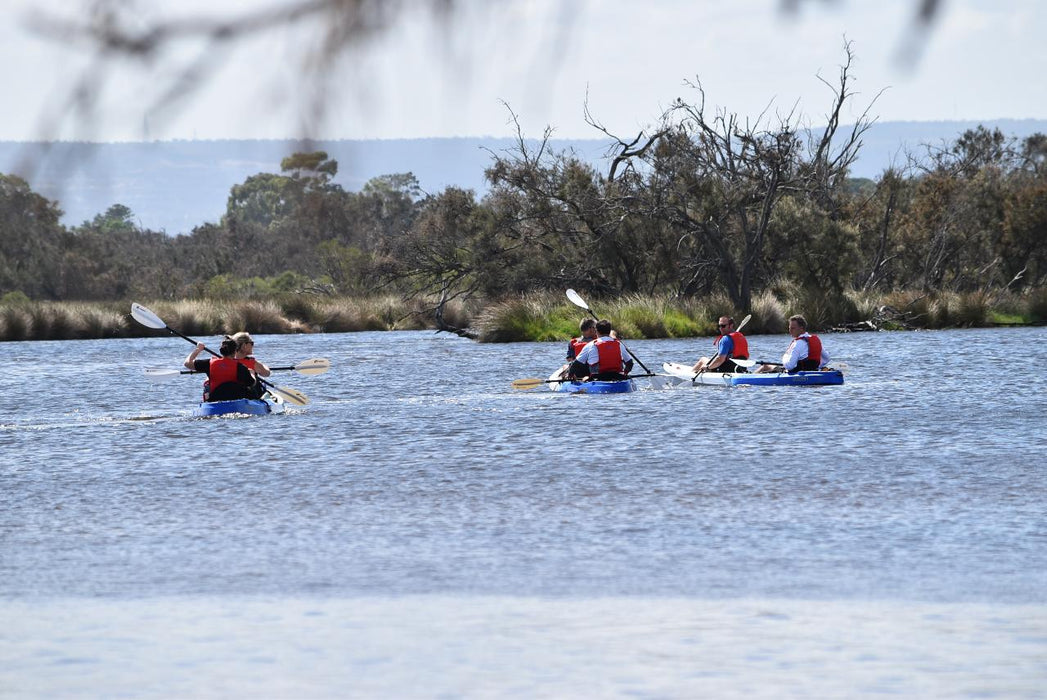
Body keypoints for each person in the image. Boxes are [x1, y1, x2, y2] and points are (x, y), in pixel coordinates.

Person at [184, 337, 261, 402]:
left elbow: (187, 363)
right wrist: (252, 373)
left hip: (215, 398)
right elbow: (251, 383)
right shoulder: (240, 367)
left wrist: (198, 349)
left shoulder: (209, 363)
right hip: (236, 399)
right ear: (235, 351)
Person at [757, 314, 831, 373]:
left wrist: (785, 356)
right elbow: (827, 358)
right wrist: (817, 367)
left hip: (797, 373)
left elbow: (789, 366)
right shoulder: (816, 339)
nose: (790, 331)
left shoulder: (798, 343)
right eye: (789, 328)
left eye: (793, 328)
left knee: (765, 366)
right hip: (813, 371)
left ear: (801, 328)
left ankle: (749, 377)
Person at [569, 319, 633, 380]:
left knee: (584, 377)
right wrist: (625, 373)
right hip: (618, 377)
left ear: (596, 331)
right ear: (609, 331)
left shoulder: (591, 345)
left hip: (598, 378)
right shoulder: (619, 344)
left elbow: (576, 364)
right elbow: (630, 363)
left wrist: (570, 375)